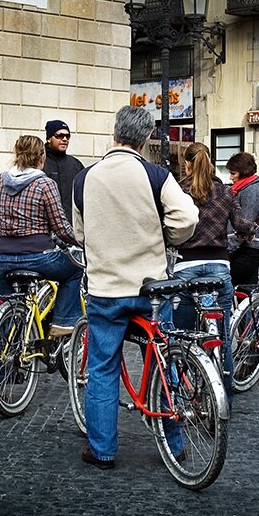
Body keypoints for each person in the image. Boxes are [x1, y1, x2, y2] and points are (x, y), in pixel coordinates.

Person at [73, 106, 198, 469]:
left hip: (106, 289)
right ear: (146, 139)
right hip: (150, 289)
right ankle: (174, 444)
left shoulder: (85, 178)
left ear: (115, 133)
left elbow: (80, 233)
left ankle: (102, 450)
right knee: (162, 360)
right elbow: (187, 217)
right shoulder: (155, 174)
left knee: (102, 367)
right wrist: (165, 237)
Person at [173, 143, 255, 397]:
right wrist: (250, 229)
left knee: (183, 336)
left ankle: (183, 392)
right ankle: (225, 397)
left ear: (187, 163)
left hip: (186, 266)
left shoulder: (179, 191)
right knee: (223, 338)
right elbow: (241, 224)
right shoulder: (225, 191)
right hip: (219, 267)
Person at [0, 135, 82, 337]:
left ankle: (1, 358)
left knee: (6, 315)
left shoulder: (1, 180)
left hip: (3, 258)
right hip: (37, 257)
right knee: (74, 271)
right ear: (41, 157)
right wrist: (81, 241)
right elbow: (60, 227)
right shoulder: (45, 184)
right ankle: (63, 323)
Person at [225, 152, 259, 285]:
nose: (231, 177)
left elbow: (245, 224)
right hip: (247, 246)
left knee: (235, 285)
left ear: (243, 172)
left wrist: (229, 248)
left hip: (248, 247)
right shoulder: (246, 188)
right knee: (246, 287)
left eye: (233, 173)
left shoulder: (251, 191)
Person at [43, 119, 84, 222]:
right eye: (59, 135)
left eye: (67, 136)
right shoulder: (40, 162)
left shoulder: (75, 165)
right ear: (49, 138)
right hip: (46, 228)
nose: (64, 139)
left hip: (71, 227)